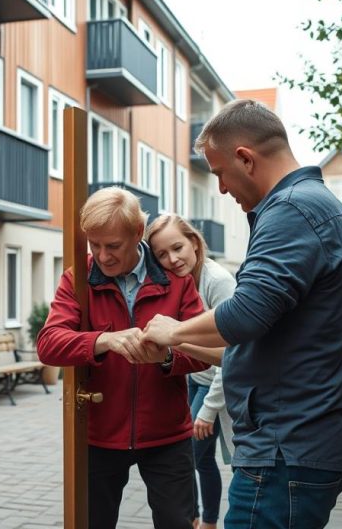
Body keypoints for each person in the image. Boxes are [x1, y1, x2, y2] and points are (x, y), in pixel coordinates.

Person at [142, 99, 342, 529]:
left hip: (285, 451)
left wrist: (173, 331)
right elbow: (263, 341)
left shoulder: (291, 211)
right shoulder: (314, 206)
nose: (223, 189)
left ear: (245, 158)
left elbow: (244, 315)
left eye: (220, 173)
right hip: (297, 448)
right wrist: (182, 348)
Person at [37, 187, 210, 529]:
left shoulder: (176, 282)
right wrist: (103, 340)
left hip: (168, 436)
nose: (102, 256)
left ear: (136, 234)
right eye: (94, 245)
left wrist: (165, 357)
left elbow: (202, 352)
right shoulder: (77, 278)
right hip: (100, 434)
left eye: (112, 246)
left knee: (177, 523)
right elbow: (49, 344)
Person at [145, 214, 236, 529]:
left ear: (194, 242)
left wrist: (209, 411)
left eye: (178, 247)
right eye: (161, 254)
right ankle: (199, 520)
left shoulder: (218, 281)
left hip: (222, 383)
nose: (172, 259)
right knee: (199, 456)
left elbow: (234, 352)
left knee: (196, 451)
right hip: (196, 380)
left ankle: (204, 521)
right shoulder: (177, 282)